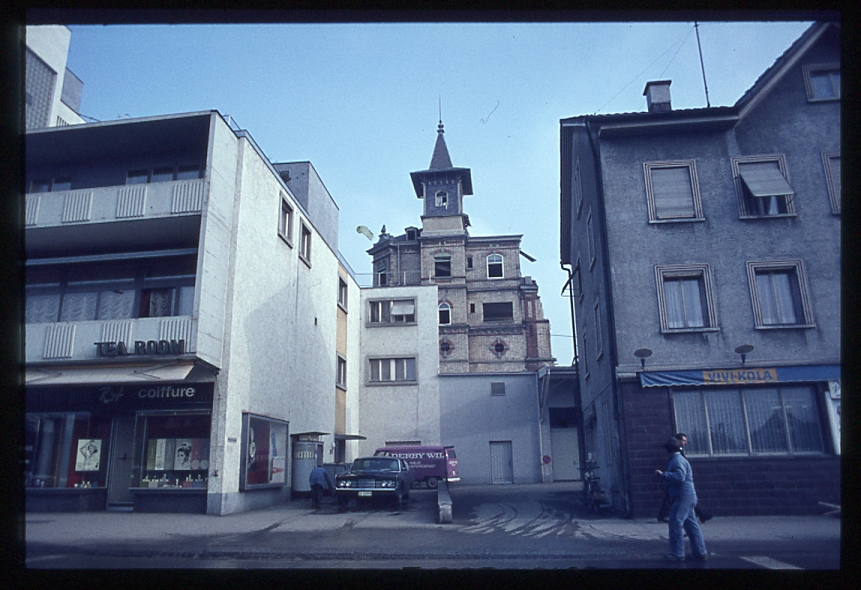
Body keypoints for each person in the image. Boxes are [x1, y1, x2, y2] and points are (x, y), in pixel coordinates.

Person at [655, 437, 708, 562]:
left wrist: (663, 475)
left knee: (675, 523)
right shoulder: (680, 459)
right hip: (688, 496)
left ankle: (677, 553)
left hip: (682, 496)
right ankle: (700, 552)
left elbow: (680, 477)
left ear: (668, 449)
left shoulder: (676, 460)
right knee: (691, 525)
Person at [656, 432, 713, 524]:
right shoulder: (677, 454)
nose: (685, 443)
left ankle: (661, 515)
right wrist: (664, 475)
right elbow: (680, 474)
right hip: (679, 483)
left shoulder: (678, 453)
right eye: (683, 440)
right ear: (678, 441)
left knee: (672, 498)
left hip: (676, 482)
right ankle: (701, 515)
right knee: (683, 501)